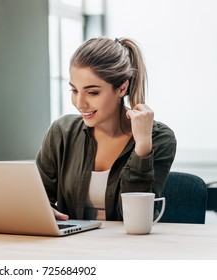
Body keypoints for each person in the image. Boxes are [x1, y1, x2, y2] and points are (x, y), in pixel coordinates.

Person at [36, 37, 176, 221]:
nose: (80, 104)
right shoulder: (62, 132)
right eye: (74, 91)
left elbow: (136, 217)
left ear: (122, 88)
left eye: (93, 92)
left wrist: (142, 147)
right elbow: (38, 196)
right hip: (69, 246)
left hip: (130, 247)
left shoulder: (159, 138)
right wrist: (44, 209)